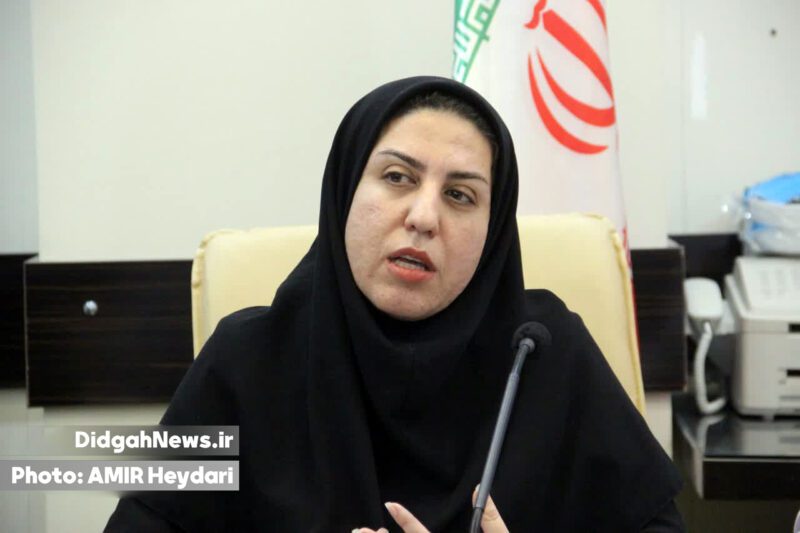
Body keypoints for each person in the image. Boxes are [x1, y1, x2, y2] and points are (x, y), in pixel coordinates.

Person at [105, 76, 684, 532]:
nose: (424, 217)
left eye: (460, 195)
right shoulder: (245, 361)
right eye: (398, 177)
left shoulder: (541, 354)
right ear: (344, 190)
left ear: (494, 233)